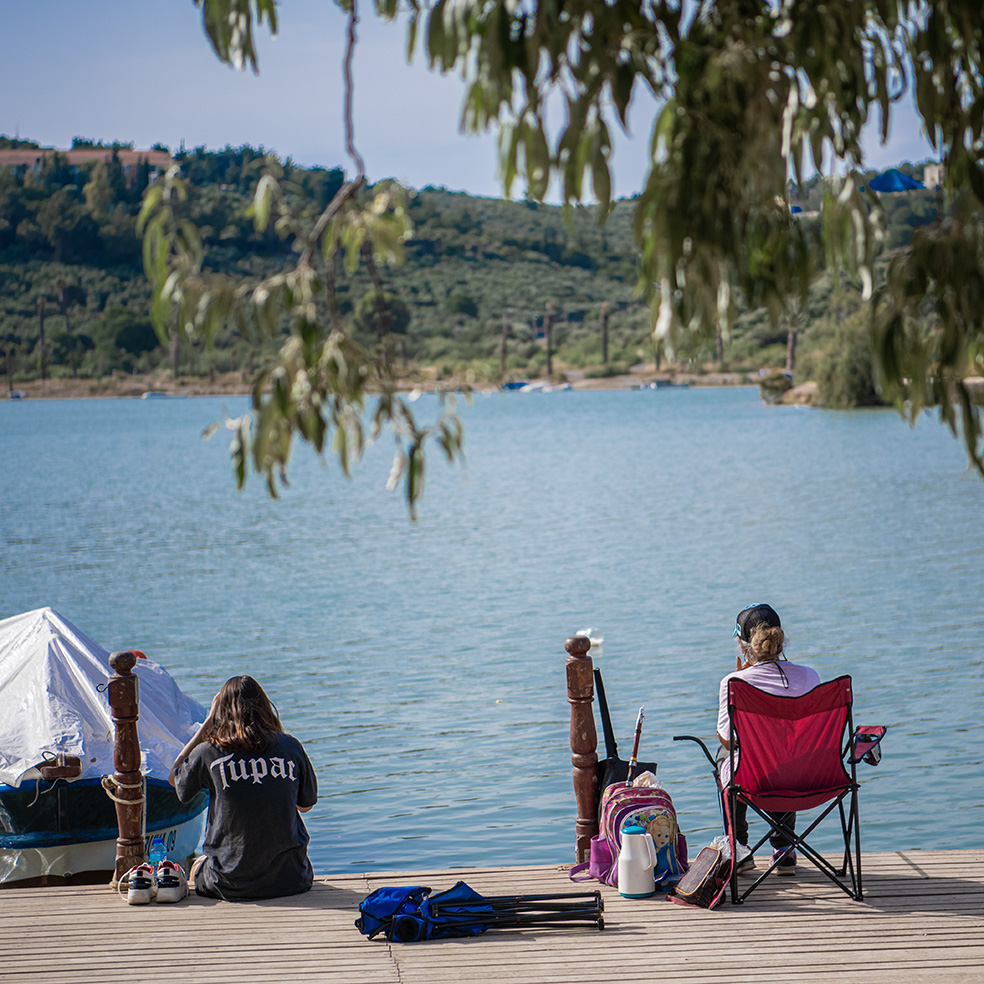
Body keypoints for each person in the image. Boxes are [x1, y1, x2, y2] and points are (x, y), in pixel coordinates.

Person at [169, 675, 318, 900]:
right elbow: (306, 806)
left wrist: (207, 724)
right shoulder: (290, 746)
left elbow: (175, 779)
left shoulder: (208, 752)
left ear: (220, 712)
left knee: (198, 864)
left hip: (228, 884)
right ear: (265, 707)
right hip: (291, 879)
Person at [716, 604, 820, 876]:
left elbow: (728, 740)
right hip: (810, 777)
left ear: (743, 646)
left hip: (756, 781)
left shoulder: (734, 683)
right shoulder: (810, 676)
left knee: (724, 755)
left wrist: (739, 678)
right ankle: (785, 848)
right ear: (780, 639)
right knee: (788, 753)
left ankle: (739, 849)